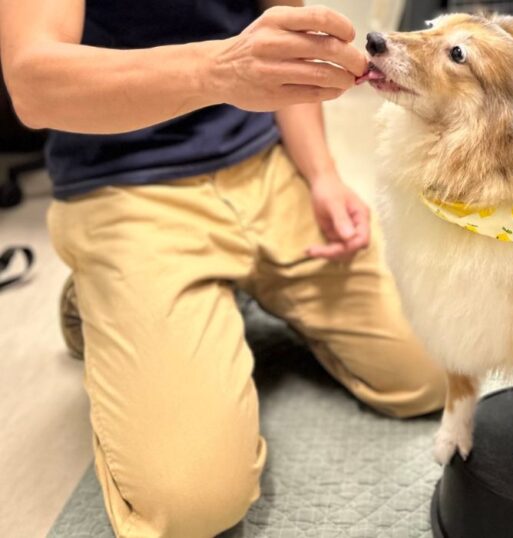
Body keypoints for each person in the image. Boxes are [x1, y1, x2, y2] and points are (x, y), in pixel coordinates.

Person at [0, 1, 446, 536]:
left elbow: (291, 41)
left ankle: (226, 285)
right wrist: (218, 70)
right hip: (125, 184)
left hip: (259, 162)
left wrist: (322, 175)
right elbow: (32, 84)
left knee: (435, 372)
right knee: (193, 503)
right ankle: (94, 299)